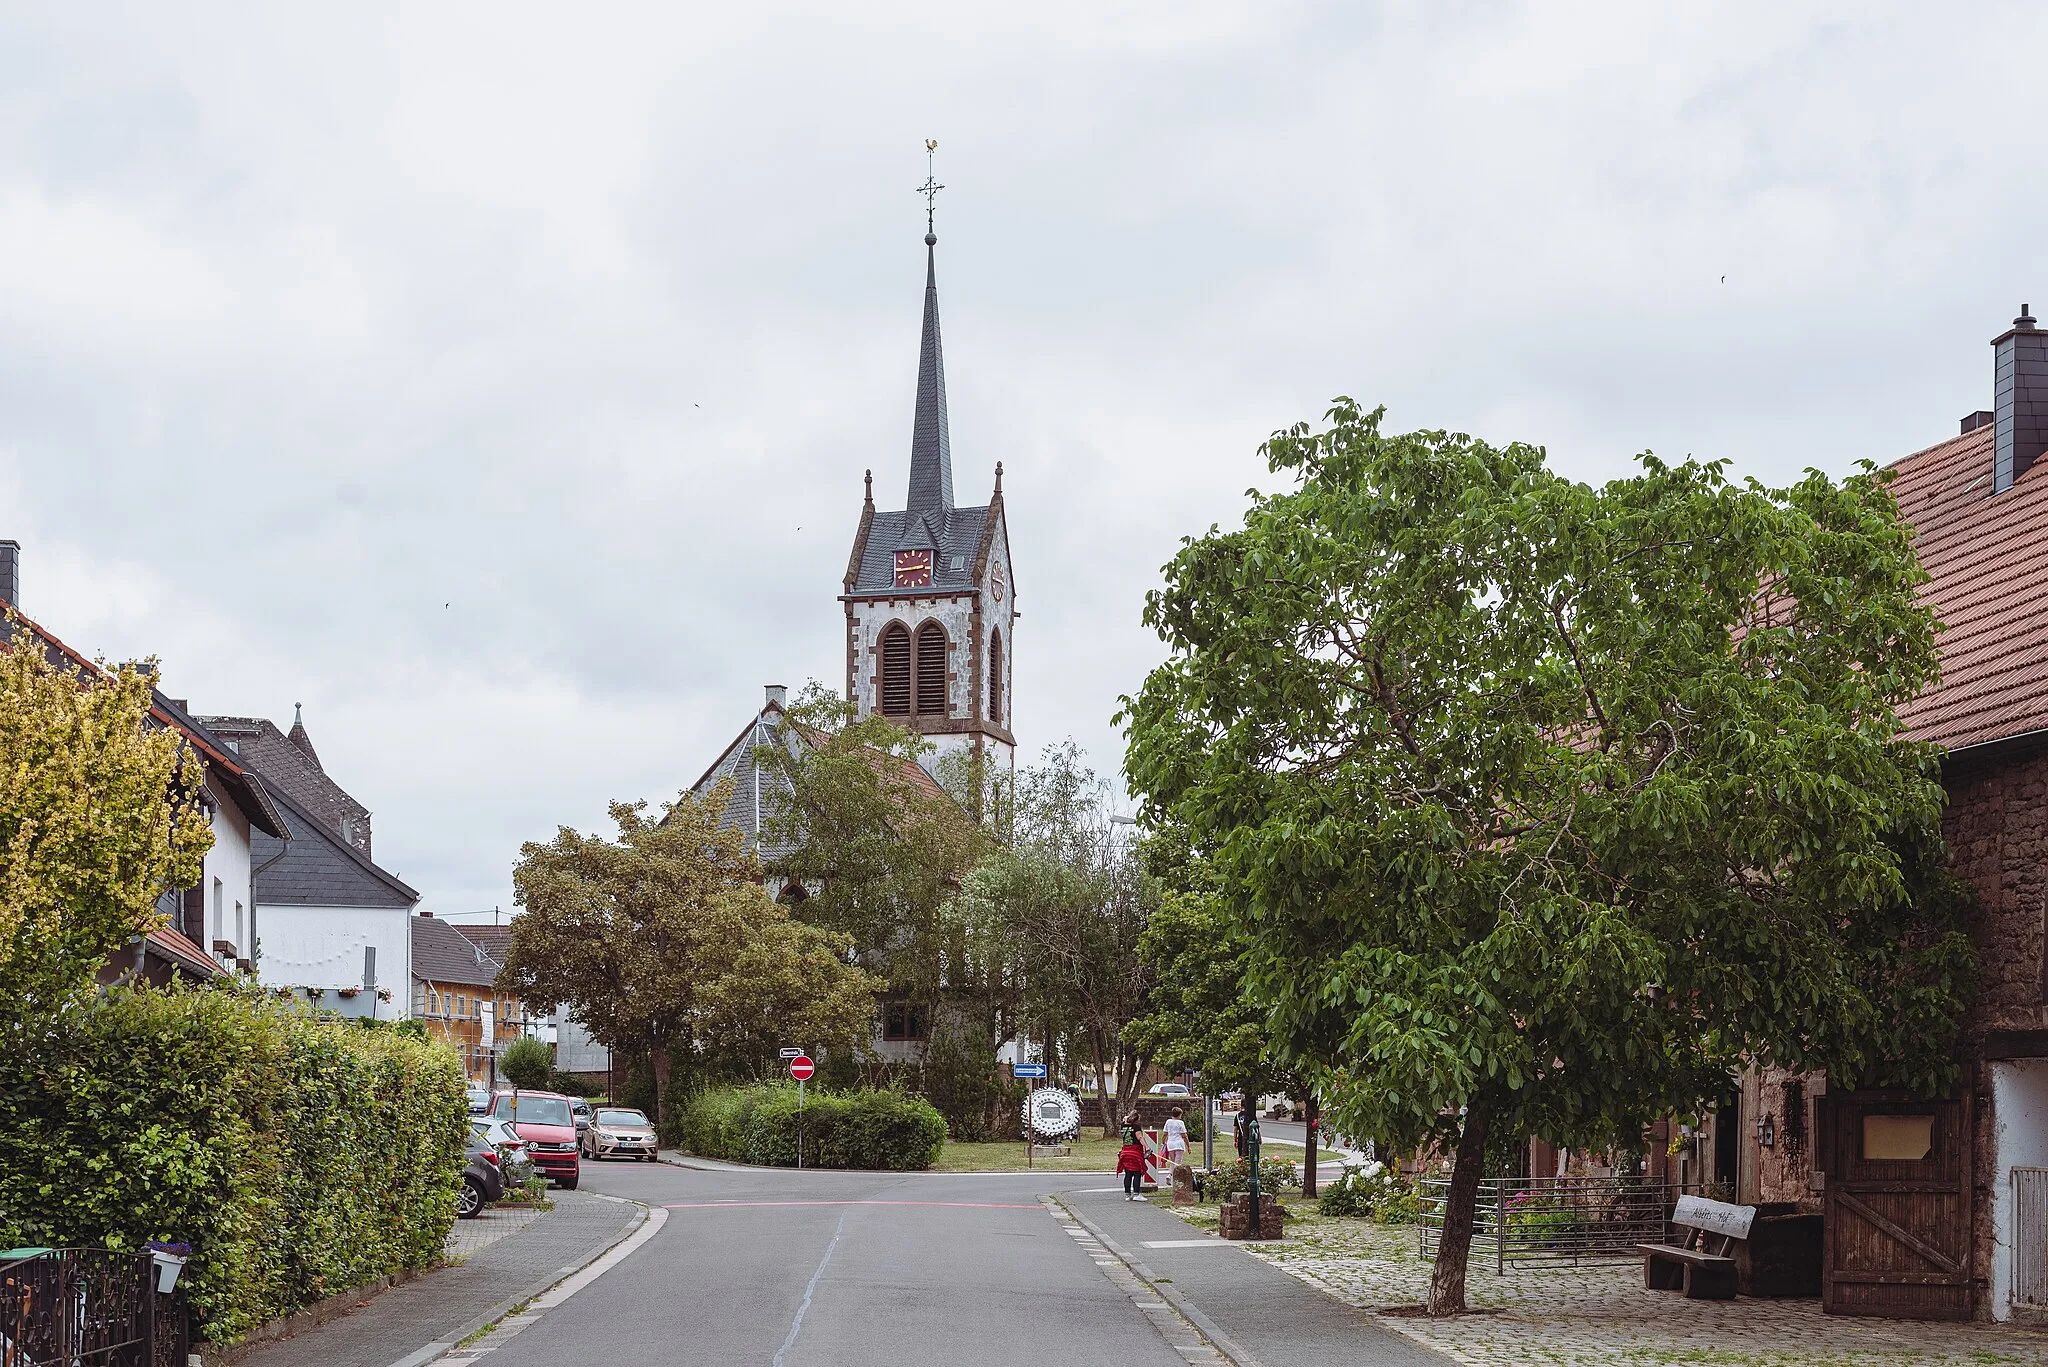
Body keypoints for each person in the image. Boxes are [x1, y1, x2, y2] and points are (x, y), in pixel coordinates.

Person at [1116, 1112, 1146, 1200]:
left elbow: (1124, 1120)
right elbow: (1139, 1137)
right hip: (1135, 1152)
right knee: (1137, 1173)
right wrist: (1146, 1146)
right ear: (1136, 1120)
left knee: (1128, 1174)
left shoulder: (1123, 1126)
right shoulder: (1136, 1127)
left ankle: (1127, 1195)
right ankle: (1136, 1194)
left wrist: (1126, 1118)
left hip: (1125, 1151)